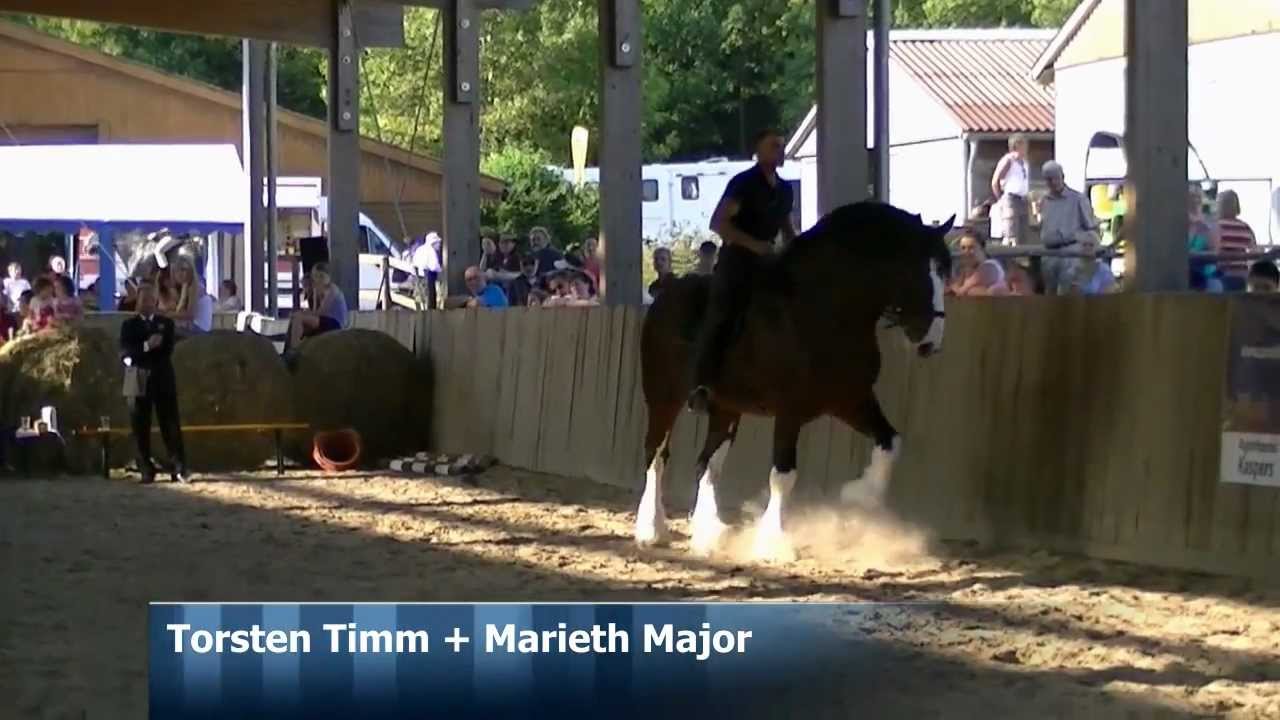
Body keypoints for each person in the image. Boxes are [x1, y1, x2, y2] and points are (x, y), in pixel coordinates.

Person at [688, 128, 796, 412]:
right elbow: (719, 223)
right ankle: (701, 383)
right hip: (737, 261)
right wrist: (755, 245)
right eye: (774, 146)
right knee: (721, 314)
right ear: (758, 151)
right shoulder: (744, 184)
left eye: (782, 146)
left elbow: (787, 230)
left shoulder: (785, 190)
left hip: (768, 262)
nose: (780, 151)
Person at [120, 282, 189, 484]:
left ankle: (179, 467)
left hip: (162, 375)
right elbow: (126, 352)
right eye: (143, 299)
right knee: (139, 425)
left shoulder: (165, 324)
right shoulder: (128, 325)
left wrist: (143, 351)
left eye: (151, 299)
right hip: (136, 376)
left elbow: (166, 349)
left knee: (170, 422)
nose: (147, 303)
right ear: (138, 301)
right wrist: (146, 346)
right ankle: (145, 468)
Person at [1037, 160, 1099, 296]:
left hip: (1071, 256)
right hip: (1049, 256)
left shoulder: (1078, 199)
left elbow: (1091, 227)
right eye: (1048, 179)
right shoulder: (1044, 201)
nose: (1053, 182)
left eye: (1055, 177)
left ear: (1062, 177)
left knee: (1067, 293)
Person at [286, 263, 348, 351]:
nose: (315, 280)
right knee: (296, 319)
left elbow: (321, 312)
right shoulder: (317, 290)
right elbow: (315, 311)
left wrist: (304, 314)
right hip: (324, 320)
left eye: (317, 276)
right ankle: (291, 348)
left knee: (299, 318)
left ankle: (294, 349)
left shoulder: (333, 290)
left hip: (335, 323)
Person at [991, 134, 1031, 246]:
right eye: (1023, 144)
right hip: (1011, 198)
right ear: (1016, 145)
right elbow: (995, 181)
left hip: (1023, 198)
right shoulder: (1008, 160)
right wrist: (1001, 199)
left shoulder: (1024, 162)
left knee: (1023, 233)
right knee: (1011, 231)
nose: (1026, 147)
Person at [1216, 190, 1257, 292]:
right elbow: (1255, 252)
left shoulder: (1215, 226)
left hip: (1221, 275)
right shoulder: (1245, 227)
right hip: (1242, 276)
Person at [949, 231, 1009, 296]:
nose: (966, 252)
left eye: (971, 248)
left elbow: (960, 292)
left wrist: (959, 289)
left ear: (982, 248)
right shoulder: (966, 269)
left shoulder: (989, 267)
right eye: (963, 248)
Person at [1057, 230, 1116, 296]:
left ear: (1097, 248)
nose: (1087, 248)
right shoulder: (1070, 270)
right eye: (1084, 245)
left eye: (1091, 245)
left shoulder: (1104, 270)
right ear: (1079, 247)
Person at [1188, 188, 1222, 292]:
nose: (1195, 200)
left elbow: (1215, 250)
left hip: (1206, 275)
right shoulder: (1176, 221)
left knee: (1216, 286)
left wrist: (1203, 226)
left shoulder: (1211, 223)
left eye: (1198, 197)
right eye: (1192, 197)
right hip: (1183, 274)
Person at [168, 261, 213, 334]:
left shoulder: (195, 287)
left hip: (199, 329)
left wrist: (166, 314)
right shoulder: (186, 286)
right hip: (194, 326)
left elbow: (190, 314)